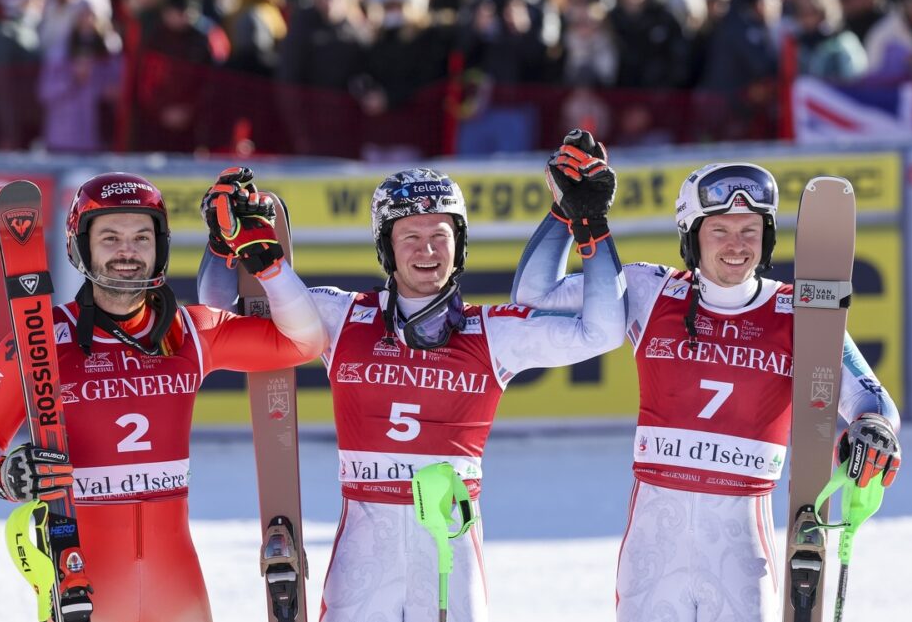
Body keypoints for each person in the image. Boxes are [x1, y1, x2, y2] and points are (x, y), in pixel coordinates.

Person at [196, 158, 626, 621]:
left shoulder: (493, 332)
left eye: (441, 236)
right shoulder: (341, 317)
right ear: (387, 246)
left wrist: (585, 225)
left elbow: (601, 333)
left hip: (449, 555)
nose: (428, 250)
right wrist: (224, 244)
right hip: (364, 553)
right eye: (410, 237)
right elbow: (222, 312)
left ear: (459, 245)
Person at [511, 156, 903, 621]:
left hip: (740, 556)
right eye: (720, 231)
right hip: (652, 551)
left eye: (750, 232)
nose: (736, 246)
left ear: (768, 238)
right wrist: (565, 214)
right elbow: (534, 295)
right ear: (692, 237)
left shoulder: (798, 312)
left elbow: (872, 400)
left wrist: (873, 429)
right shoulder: (648, 289)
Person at [0, 171, 325, 622]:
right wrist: (2, 476)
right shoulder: (41, 339)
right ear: (81, 247)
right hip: (86, 583)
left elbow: (305, 341)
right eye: (110, 237)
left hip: (177, 583)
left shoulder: (190, 331)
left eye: (141, 237)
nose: (127, 251)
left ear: (160, 246)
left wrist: (268, 265)